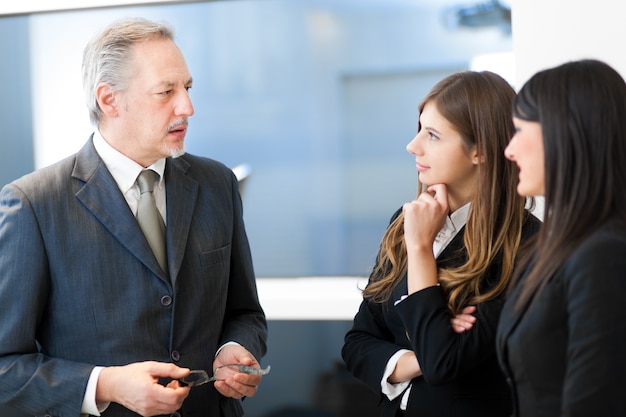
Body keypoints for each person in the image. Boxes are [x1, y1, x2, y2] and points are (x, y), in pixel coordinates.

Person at [0, 17, 267, 417]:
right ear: (110, 100)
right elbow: (6, 368)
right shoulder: (34, 204)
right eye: (166, 92)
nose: (187, 107)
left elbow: (245, 312)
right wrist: (105, 385)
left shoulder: (217, 183)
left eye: (188, 88)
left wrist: (234, 350)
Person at [342, 71, 542, 417]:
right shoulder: (404, 221)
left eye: (433, 135)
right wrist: (420, 355)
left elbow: (443, 364)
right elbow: (357, 344)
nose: (413, 145)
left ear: (479, 149)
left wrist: (420, 250)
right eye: (420, 129)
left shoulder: (525, 243)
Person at [496, 59, 626, 416]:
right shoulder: (550, 247)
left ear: (564, 134)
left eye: (520, 131)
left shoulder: (604, 255)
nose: (509, 150)